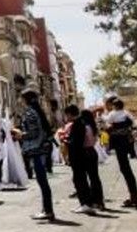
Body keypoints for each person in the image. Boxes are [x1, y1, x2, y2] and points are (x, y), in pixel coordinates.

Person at [20, 89, 55, 221]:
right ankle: (46, 209)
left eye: (22, 98)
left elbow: (33, 132)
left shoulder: (30, 112)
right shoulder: (37, 111)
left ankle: (48, 210)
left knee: (42, 181)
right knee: (43, 181)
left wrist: (20, 135)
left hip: (35, 149)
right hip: (41, 148)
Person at [102, 97, 137, 208]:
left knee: (125, 168)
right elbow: (134, 124)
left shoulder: (112, 114)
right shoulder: (126, 113)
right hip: (126, 142)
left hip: (118, 142)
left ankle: (134, 197)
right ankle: (134, 196)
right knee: (126, 168)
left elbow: (107, 123)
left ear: (114, 106)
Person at [63, 105, 97, 215]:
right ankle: (87, 203)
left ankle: (85, 203)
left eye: (67, 115)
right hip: (81, 155)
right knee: (81, 179)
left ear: (69, 114)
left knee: (79, 180)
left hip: (77, 156)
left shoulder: (77, 124)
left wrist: (66, 141)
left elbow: (77, 142)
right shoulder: (81, 123)